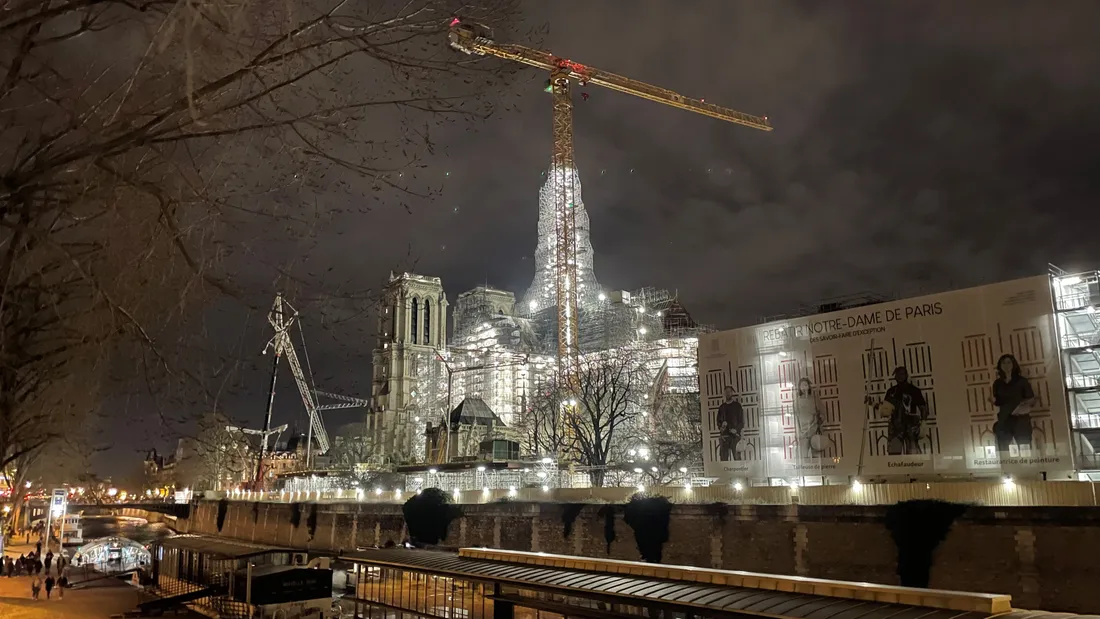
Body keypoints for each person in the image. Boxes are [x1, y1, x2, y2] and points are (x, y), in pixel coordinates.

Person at [868, 366, 928, 455]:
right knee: (894, 456)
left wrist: (923, 424)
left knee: (913, 457)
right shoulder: (891, 391)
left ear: (906, 375)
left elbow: (923, 408)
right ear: (895, 376)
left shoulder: (914, 390)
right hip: (895, 427)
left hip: (910, 427)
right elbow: (885, 410)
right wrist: (872, 403)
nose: (900, 376)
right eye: (897, 374)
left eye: (902, 374)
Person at [990, 353, 1037, 453]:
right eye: (1003, 363)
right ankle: (1008, 468)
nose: (1006, 365)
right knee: (1004, 450)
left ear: (1013, 364)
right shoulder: (997, 383)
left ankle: (1026, 468)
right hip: (1004, 419)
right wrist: (993, 400)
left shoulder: (1022, 381)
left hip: (1020, 419)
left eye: (1008, 362)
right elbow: (998, 401)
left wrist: (1022, 406)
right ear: (1000, 366)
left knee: (1025, 449)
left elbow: (1031, 399)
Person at [793, 378, 825, 458]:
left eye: (806, 385)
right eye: (802, 385)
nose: (804, 387)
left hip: (814, 431)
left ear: (809, 387)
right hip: (803, 433)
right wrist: (798, 432)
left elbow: (822, 413)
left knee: (817, 456)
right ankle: (805, 470)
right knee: (803, 456)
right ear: (799, 388)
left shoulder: (814, 399)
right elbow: (795, 417)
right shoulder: (797, 401)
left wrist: (819, 419)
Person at [716, 385, 745, 461]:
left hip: (735, 436)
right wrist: (721, 426)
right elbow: (718, 422)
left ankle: (739, 472)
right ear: (724, 393)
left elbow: (741, 422)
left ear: (732, 393)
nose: (728, 393)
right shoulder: (722, 407)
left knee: (737, 458)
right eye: (726, 392)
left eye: (729, 391)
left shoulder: (737, 406)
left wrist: (736, 430)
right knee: (724, 459)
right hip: (724, 437)